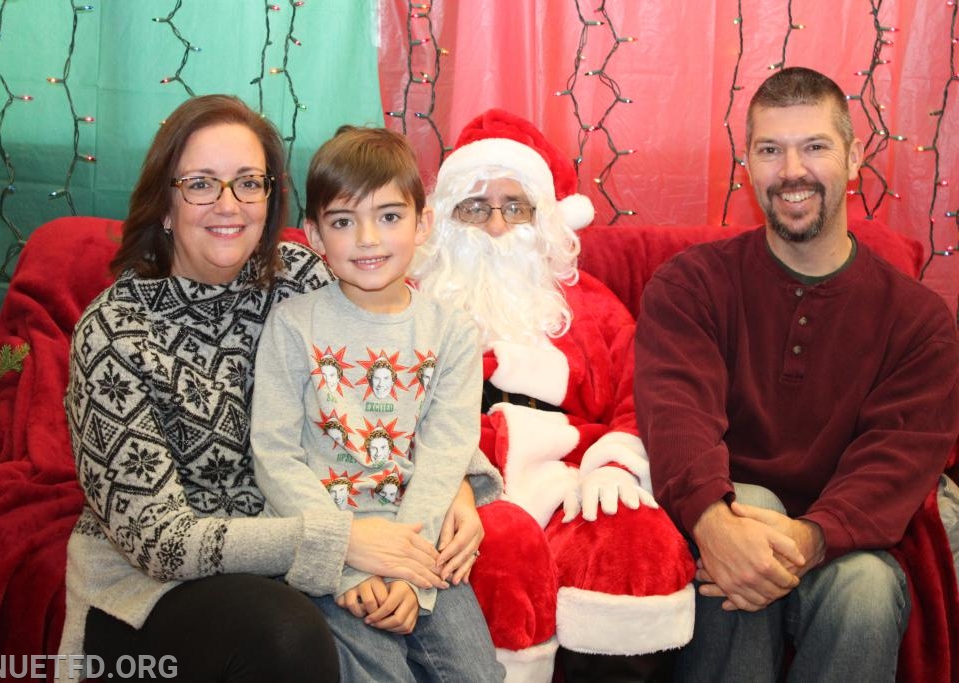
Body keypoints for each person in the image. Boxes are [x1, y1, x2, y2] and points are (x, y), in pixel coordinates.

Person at [57, 95, 492, 682]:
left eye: (247, 183)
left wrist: (455, 487)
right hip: (159, 585)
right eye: (201, 184)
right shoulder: (115, 333)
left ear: (270, 197)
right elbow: (158, 541)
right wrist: (341, 543)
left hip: (331, 534)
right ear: (165, 201)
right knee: (288, 635)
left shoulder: (306, 275)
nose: (228, 205)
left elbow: (404, 377)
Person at [634, 66, 959, 682]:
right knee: (742, 515)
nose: (791, 172)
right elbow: (675, 414)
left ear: (854, 156)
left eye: (814, 147)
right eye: (770, 150)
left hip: (849, 541)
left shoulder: (918, 320)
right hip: (721, 516)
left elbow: (897, 460)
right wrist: (713, 521)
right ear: (748, 165)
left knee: (864, 586)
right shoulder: (690, 284)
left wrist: (810, 539)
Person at [411, 109, 696, 682]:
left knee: (631, 541)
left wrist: (616, 463)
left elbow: (646, 390)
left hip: (570, 475)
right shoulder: (412, 299)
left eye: (515, 206)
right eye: (475, 207)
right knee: (501, 548)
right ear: (445, 218)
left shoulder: (587, 302)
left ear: (544, 218)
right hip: (461, 476)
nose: (496, 226)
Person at [250, 125, 504, 681]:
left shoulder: (453, 332)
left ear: (424, 223)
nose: (368, 238)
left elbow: (444, 454)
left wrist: (410, 571)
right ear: (315, 236)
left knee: (476, 674)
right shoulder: (293, 325)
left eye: (389, 216)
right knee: (377, 671)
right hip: (325, 544)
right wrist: (341, 560)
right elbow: (273, 453)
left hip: (418, 539)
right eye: (344, 221)